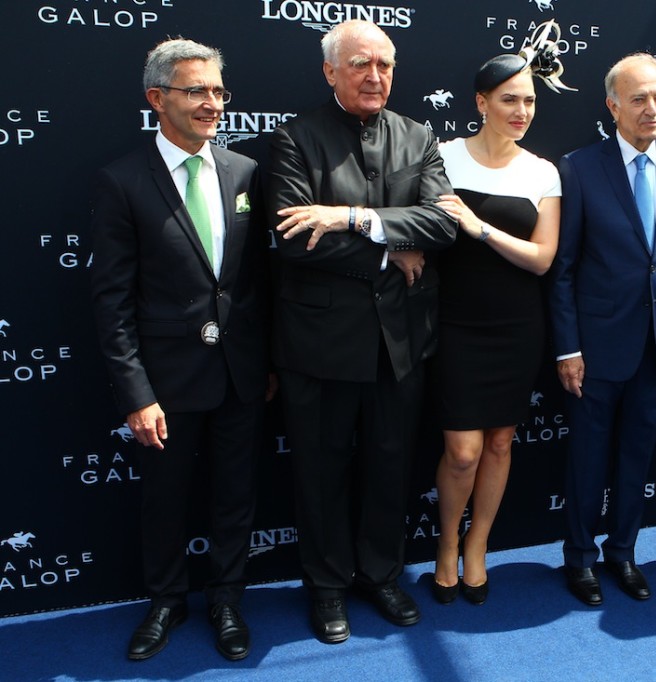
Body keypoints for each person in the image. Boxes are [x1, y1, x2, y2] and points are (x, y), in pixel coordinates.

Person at [268, 20, 457, 643]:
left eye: (384, 64)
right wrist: (387, 249)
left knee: (389, 464)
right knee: (320, 473)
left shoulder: (418, 136)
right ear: (330, 71)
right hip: (320, 347)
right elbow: (295, 237)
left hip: (399, 345)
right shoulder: (295, 140)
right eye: (359, 64)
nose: (374, 76)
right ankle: (325, 588)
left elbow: (444, 224)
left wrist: (354, 218)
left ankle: (380, 574)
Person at [90, 38, 270, 661]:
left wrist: (265, 364)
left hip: (240, 375)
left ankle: (226, 600)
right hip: (165, 383)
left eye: (219, 91)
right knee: (165, 500)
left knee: (235, 496)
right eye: (197, 91)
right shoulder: (121, 182)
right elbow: (112, 303)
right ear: (156, 98)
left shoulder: (245, 172)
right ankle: (166, 602)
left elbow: (256, 283)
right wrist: (137, 395)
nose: (212, 103)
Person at [549, 52, 656, 606]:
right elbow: (562, 268)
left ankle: (623, 553)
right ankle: (580, 558)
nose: (652, 108)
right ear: (612, 106)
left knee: (638, 455)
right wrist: (568, 347)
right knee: (588, 458)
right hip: (595, 346)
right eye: (639, 98)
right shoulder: (580, 167)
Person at [430, 30, 568, 606]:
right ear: (481, 102)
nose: (522, 111)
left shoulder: (543, 173)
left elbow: (542, 259)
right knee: (462, 449)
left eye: (530, 100)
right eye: (510, 99)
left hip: (516, 326)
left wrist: (479, 227)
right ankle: (444, 546)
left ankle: (478, 547)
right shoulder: (442, 156)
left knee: (501, 444)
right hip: (454, 324)